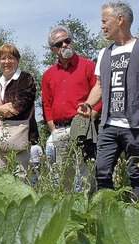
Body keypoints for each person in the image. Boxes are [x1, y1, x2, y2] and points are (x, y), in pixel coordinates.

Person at [78, 1, 139, 201]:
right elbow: (99, 86)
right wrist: (89, 104)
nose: (102, 26)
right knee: (101, 172)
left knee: (136, 174)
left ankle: (138, 213)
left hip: (135, 124)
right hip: (109, 125)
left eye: (104, 21)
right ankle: (108, 212)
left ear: (120, 20)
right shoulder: (104, 53)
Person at [42, 25, 102, 192]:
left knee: (86, 173)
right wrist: (53, 128)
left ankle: (88, 211)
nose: (64, 45)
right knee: (63, 175)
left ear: (72, 42)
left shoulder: (89, 66)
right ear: (53, 49)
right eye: (59, 44)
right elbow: (46, 104)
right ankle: (68, 213)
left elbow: (100, 93)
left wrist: (91, 118)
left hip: (83, 126)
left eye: (67, 41)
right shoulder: (48, 74)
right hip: (59, 130)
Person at [0, 44, 36, 176]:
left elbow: (16, 108)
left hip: (21, 139)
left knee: (21, 181)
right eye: (2, 59)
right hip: (0, 141)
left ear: (18, 60)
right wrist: (1, 108)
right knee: (2, 182)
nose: (6, 62)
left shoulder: (25, 79)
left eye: (11, 58)